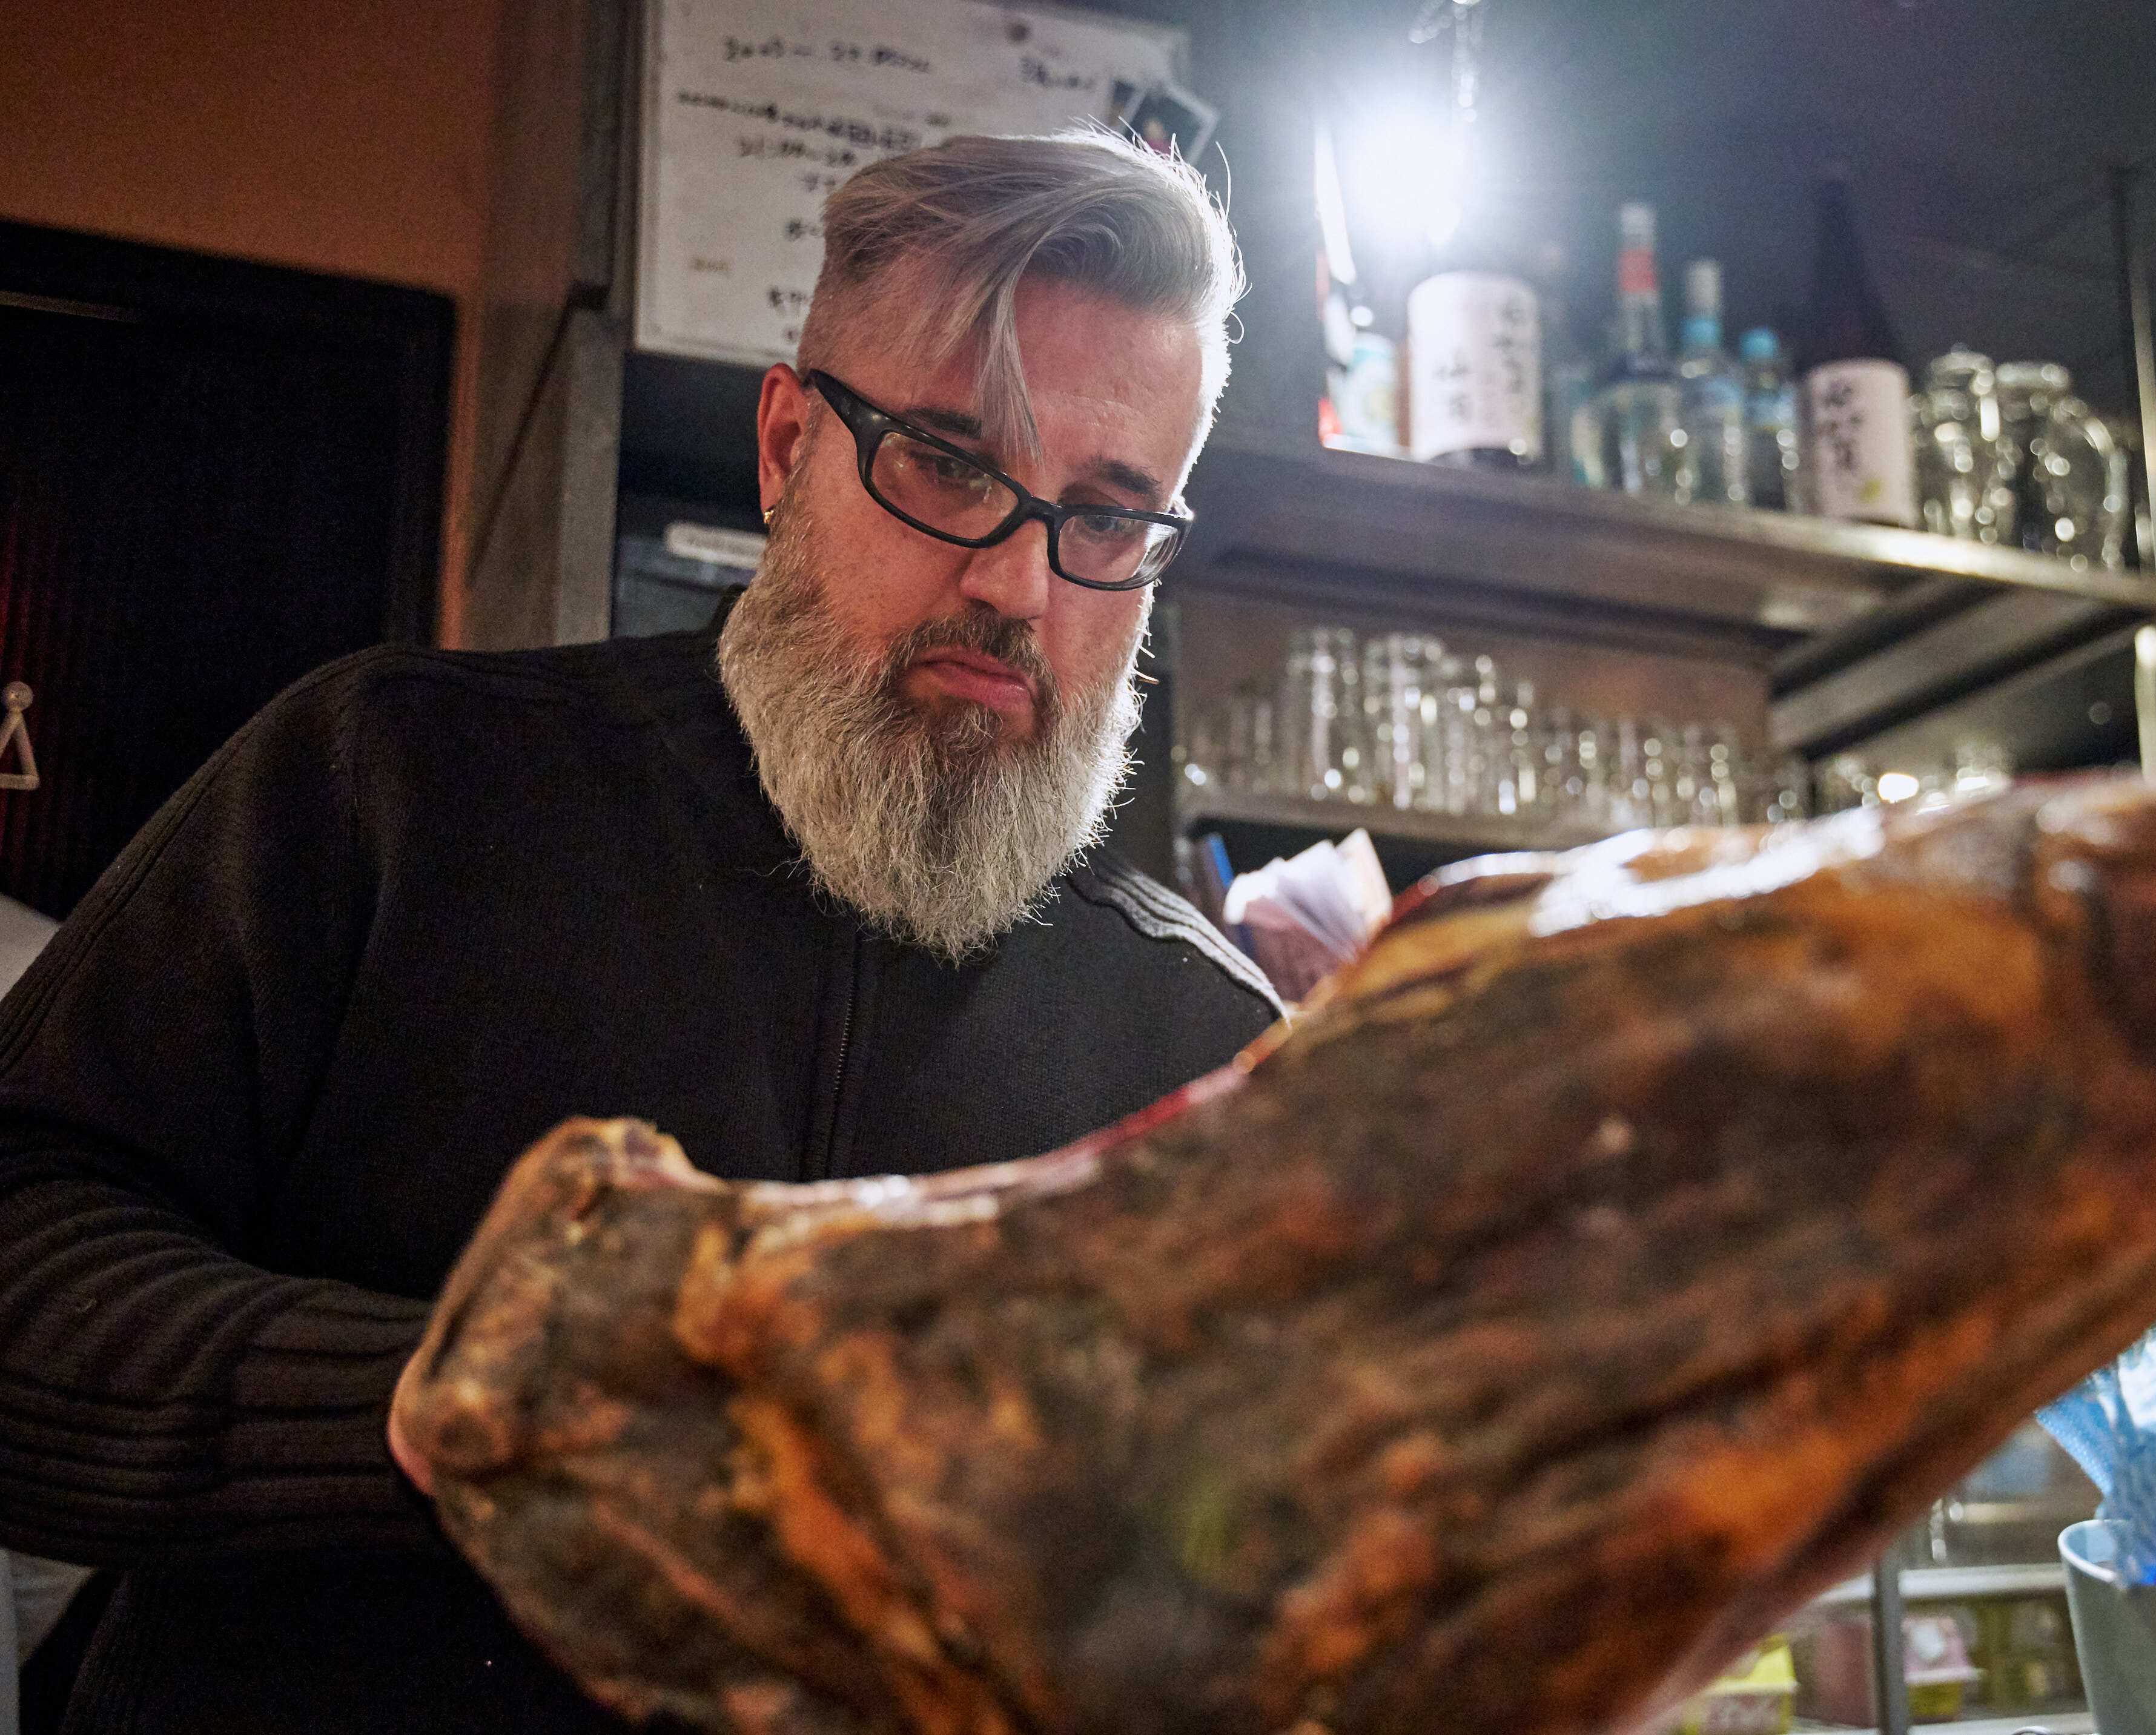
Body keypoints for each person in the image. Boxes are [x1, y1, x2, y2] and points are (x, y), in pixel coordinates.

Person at [0, 128, 1279, 1733]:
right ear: (786, 445)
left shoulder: (1210, 1054)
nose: (1021, 585)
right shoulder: (396, 782)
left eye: (1106, 518)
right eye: (950, 465)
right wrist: (474, 1408)